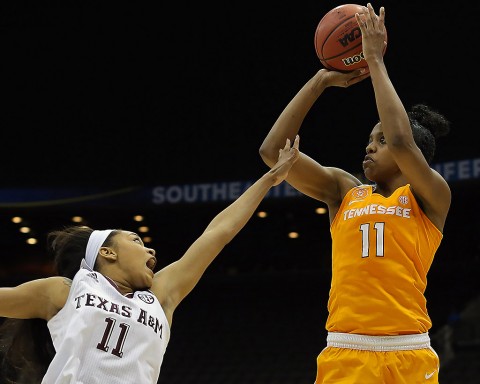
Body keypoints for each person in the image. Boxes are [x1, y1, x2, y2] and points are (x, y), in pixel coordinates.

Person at [0, 136, 300, 384]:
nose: (151, 252)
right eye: (136, 240)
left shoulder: (159, 296)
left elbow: (217, 233)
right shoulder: (67, 290)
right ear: (107, 252)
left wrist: (269, 179)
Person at [259, 4, 450, 384]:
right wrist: (319, 82)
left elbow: (400, 139)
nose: (370, 147)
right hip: (347, 349)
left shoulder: (430, 196)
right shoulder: (344, 191)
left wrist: (375, 59)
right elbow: (272, 152)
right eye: (369, 140)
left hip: (409, 348)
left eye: (378, 141)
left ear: (411, 155)